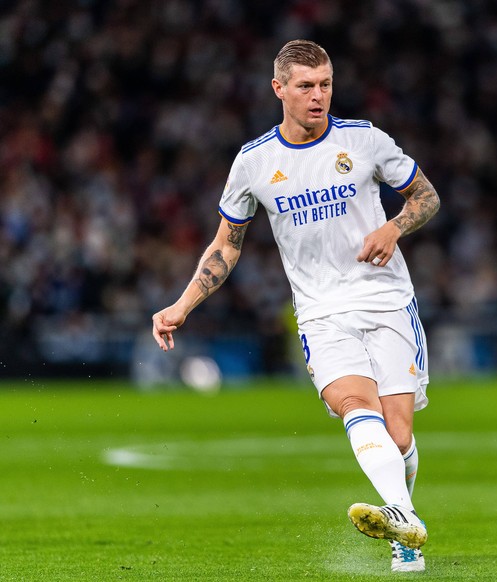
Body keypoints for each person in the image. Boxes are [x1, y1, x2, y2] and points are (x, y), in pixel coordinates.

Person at [151, 39, 440, 573]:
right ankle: (403, 522)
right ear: (278, 89)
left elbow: (426, 197)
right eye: (305, 86)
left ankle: (403, 513)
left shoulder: (365, 140)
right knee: (355, 405)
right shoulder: (254, 162)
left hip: (386, 300)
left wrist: (394, 227)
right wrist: (183, 303)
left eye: (326, 84)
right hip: (321, 311)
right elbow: (226, 245)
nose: (318, 96)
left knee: (399, 436)